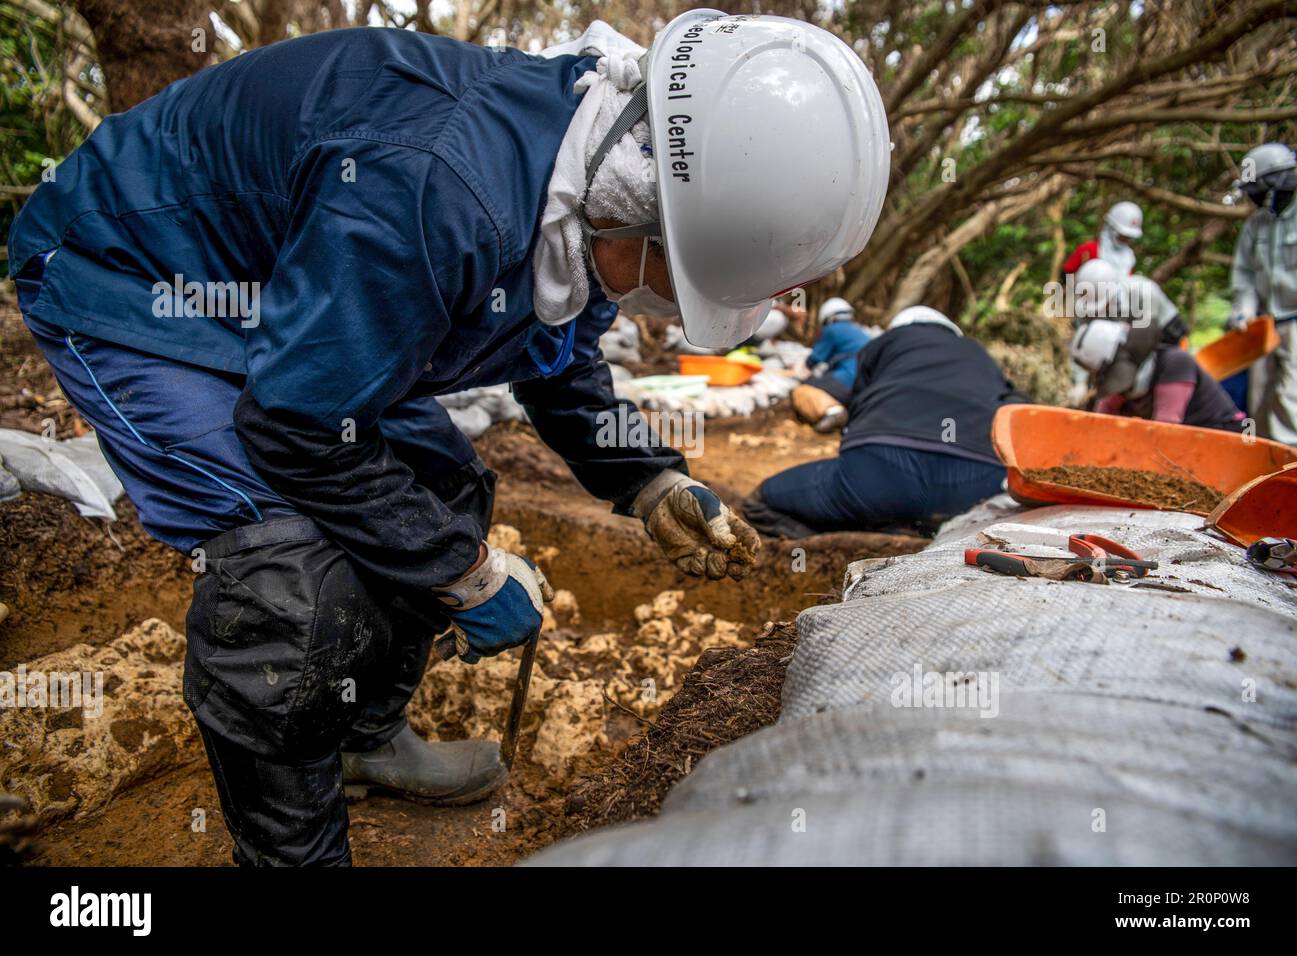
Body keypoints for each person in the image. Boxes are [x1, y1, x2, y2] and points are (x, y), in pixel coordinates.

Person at [8, 13, 891, 865]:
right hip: (137, 274)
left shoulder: (576, 181)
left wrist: (649, 478)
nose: (661, 305)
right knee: (285, 572)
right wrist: (466, 575)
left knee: (445, 488)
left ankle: (362, 735)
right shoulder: (439, 191)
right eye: (677, 276)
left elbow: (562, 355)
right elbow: (296, 426)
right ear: (636, 206)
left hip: (291, 293)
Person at [742, 307, 1021, 538]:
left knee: (761, 502)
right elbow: (1019, 407)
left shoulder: (883, 344)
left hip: (880, 473)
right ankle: (920, 529)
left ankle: (850, 538)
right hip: (976, 484)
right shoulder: (979, 353)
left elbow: (857, 404)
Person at [1230, 142, 1297, 446]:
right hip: (1264, 325)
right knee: (1259, 398)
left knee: (1291, 396)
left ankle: (1294, 468)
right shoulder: (1255, 226)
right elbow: (1244, 275)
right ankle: (1264, 467)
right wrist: (1243, 310)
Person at [1072, 319, 1245, 431]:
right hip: (1181, 448)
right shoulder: (1120, 386)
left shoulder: (1175, 363)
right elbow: (1101, 423)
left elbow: (1164, 431)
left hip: (1221, 434)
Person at [789, 297, 874, 432]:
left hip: (847, 379)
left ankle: (833, 411)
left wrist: (798, 373)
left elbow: (814, 360)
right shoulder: (861, 331)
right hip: (868, 384)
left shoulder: (832, 330)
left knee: (803, 389)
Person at [1063, 200, 1144, 276]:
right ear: (1112, 229)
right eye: (1123, 235)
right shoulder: (1089, 250)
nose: (1126, 239)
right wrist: (1074, 289)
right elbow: (1067, 273)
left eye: (1129, 236)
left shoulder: (1128, 258)